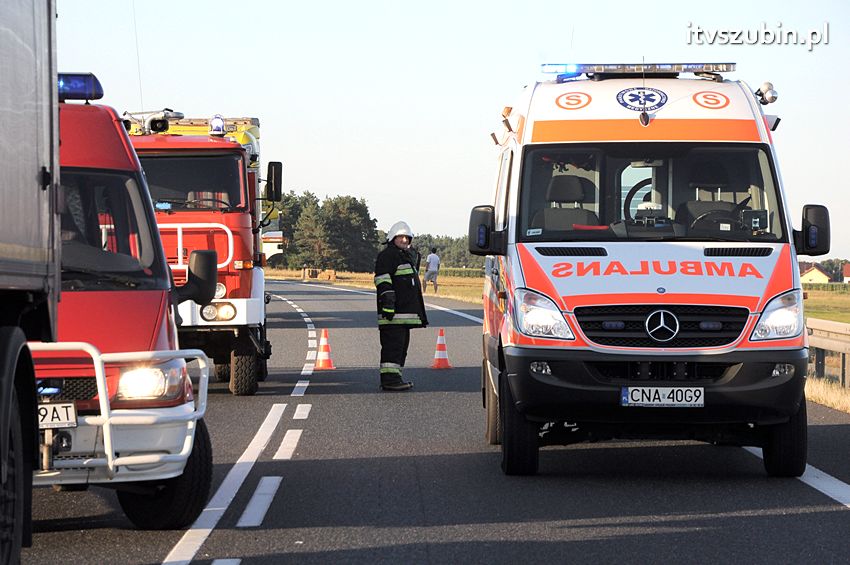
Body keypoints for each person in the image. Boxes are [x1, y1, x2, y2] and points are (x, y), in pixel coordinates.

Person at [374, 221, 428, 391]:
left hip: (402, 315)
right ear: (392, 238)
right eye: (401, 237)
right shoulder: (388, 256)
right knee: (393, 347)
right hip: (393, 314)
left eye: (407, 237)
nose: (405, 240)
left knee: (400, 348)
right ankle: (389, 379)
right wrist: (388, 305)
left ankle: (395, 377)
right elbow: (382, 280)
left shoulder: (403, 256)